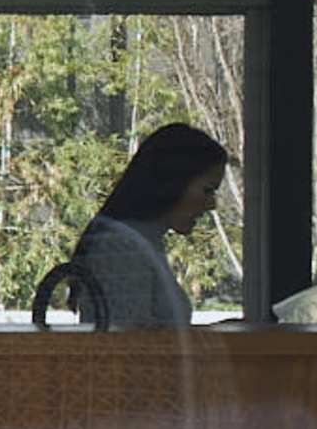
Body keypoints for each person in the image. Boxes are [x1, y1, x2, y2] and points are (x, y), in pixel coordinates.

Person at [49, 122, 232, 330]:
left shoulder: (141, 242)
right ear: (172, 182)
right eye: (207, 190)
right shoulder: (118, 247)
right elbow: (127, 344)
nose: (212, 204)